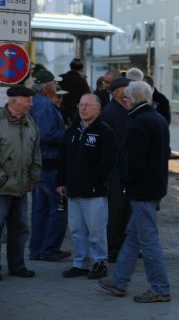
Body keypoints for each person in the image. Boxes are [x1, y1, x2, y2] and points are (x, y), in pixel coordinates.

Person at [99, 81, 171, 303]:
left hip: (142, 190)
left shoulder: (139, 123)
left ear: (131, 100)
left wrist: (126, 180)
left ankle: (160, 288)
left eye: (126, 98)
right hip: (153, 187)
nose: (125, 102)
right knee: (133, 236)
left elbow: (135, 163)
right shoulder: (157, 119)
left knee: (148, 240)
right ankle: (120, 281)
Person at [57, 94, 117, 279]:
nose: (82, 108)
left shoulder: (105, 132)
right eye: (80, 104)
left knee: (96, 231)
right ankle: (80, 263)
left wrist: (93, 181)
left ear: (97, 109)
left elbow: (108, 162)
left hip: (94, 193)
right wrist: (60, 182)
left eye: (87, 105)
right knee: (76, 230)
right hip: (73, 191)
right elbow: (63, 159)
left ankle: (100, 263)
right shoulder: (72, 131)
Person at [28, 70, 70, 262]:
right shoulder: (44, 106)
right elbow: (45, 135)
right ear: (46, 88)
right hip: (50, 164)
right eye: (54, 83)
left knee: (40, 210)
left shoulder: (37, 102)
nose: (57, 86)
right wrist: (68, 133)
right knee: (58, 208)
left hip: (41, 164)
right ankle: (49, 249)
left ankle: (37, 249)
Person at [0, 85, 41, 279]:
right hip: (2, 188)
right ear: (14, 100)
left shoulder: (30, 122)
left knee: (20, 228)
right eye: (27, 100)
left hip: (22, 187)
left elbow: (36, 152)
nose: (31, 104)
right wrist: (2, 178)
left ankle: (17, 266)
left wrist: (33, 176)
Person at [100, 77, 133, 263]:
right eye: (127, 87)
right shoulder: (111, 112)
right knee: (115, 208)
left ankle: (123, 244)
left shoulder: (124, 109)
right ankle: (113, 247)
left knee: (125, 208)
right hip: (115, 168)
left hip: (124, 166)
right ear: (118, 91)